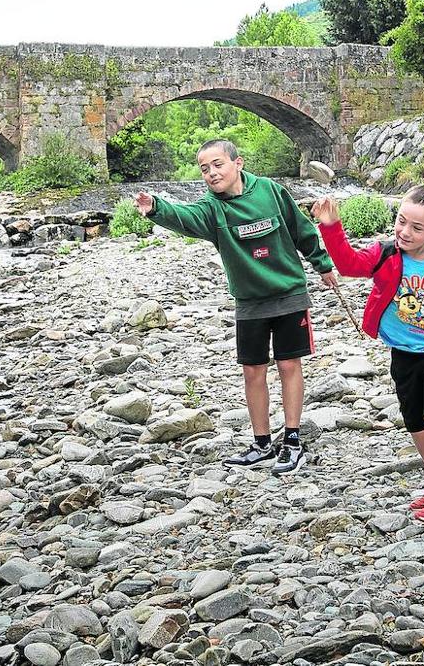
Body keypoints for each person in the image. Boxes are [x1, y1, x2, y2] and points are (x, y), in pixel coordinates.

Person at [134, 139, 336, 475]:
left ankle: (293, 441)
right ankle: (261, 444)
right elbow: (183, 217)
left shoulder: (271, 191)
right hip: (249, 302)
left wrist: (322, 263)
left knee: (289, 365)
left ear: (237, 163)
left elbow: (301, 230)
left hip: (288, 294)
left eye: (218, 165)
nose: (212, 173)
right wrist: (156, 206)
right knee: (253, 371)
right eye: (205, 169)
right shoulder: (211, 209)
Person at [312, 186, 424, 522]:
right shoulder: (386, 253)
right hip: (402, 353)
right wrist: (331, 226)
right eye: (401, 221)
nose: (405, 231)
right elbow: (348, 265)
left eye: (416, 228)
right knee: (416, 421)